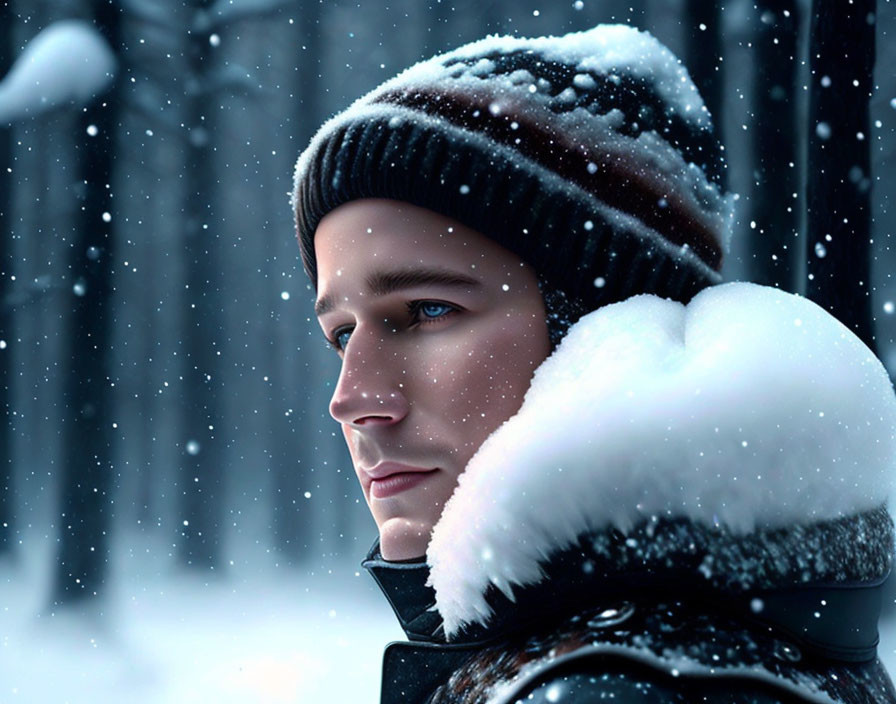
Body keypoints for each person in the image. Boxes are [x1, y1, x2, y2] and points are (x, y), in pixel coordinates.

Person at [292, 24, 896, 704]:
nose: (354, 396)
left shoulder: (611, 689)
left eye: (427, 311)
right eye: (342, 334)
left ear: (601, 330)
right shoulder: (739, 647)